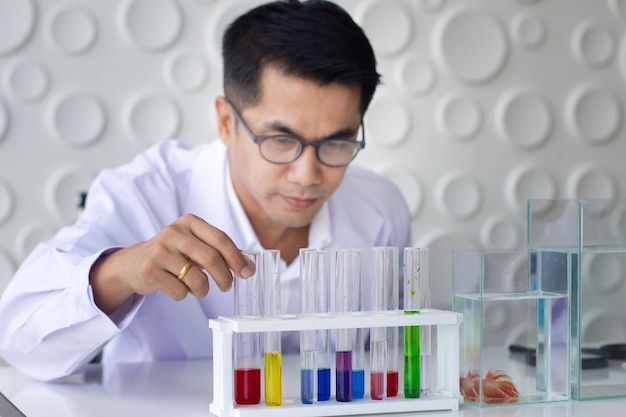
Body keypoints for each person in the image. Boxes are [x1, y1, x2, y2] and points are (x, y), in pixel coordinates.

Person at [0, 0, 411, 381]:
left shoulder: (380, 207)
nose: (308, 174)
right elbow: (18, 342)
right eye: (281, 140)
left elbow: (389, 360)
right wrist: (121, 271)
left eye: (337, 142)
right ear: (226, 122)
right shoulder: (143, 193)